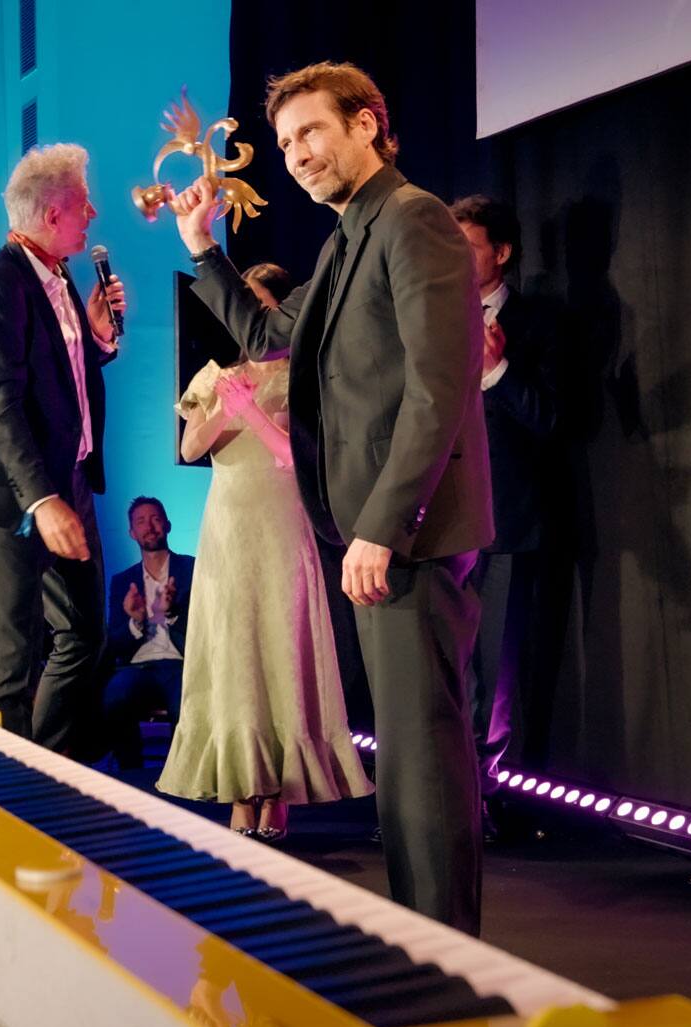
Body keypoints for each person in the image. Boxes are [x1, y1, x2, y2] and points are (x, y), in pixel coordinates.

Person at [168, 61, 492, 930]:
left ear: (368, 123)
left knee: (422, 757)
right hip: (373, 535)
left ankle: (448, 959)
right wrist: (204, 250)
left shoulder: (413, 219)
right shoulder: (352, 235)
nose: (297, 153)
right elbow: (273, 336)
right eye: (283, 142)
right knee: (408, 762)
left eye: (311, 131)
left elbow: (440, 388)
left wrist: (383, 526)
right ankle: (425, 944)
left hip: (408, 537)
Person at [156, 272, 371, 838]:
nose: (249, 318)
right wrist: (228, 408)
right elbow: (190, 446)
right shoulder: (217, 376)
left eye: (260, 306)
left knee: (280, 646)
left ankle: (279, 791)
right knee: (234, 652)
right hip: (227, 530)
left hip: (280, 526)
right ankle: (241, 786)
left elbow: (293, 456)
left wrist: (250, 412)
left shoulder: (304, 377)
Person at [0, 143, 127, 751]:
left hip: (67, 478)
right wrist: (43, 500)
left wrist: (98, 339)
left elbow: (62, 378)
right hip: (20, 492)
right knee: (15, 649)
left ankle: (47, 764)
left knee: (84, 632)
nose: (94, 214)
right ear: (53, 215)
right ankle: (9, 793)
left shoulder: (58, 276)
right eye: (84, 204)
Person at [449, 195, 558, 832]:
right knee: (451, 664)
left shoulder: (540, 321)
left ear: (501, 252)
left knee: (502, 672)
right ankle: (452, 791)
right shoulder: (432, 316)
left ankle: (492, 797)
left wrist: (498, 371)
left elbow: (555, 420)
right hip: (440, 521)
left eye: (468, 247)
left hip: (510, 522)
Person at [102, 497, 195, 770]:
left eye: (155, 519)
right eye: (140, 522)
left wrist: (172, 611)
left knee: (188, 702)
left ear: (167, 525)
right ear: (132, 533)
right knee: (115, 697)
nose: (149, 527)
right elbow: (114, 644)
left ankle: (183, 775)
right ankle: (132, 775)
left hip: (181, 664)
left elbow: (209, 630)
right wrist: (136, 622)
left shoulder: (191, 569)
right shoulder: (123, 581)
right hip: (137, 666)